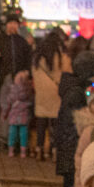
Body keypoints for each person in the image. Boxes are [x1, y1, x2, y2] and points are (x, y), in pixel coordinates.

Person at [52, 49, 94, 187]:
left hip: (73, 152)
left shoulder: (79, 89)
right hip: (74, 154)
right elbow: (72, 126)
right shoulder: (78, 93)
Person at [30, 30, 68, 160]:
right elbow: (63, 74)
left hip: (41, 94)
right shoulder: (59, 57)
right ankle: (54, 150)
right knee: (56, 124)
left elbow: (34, 75)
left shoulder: (37, 58)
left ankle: (39, 149)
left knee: (41, 123)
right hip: (55, 94)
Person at [1, 69, 34, 157]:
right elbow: (32, 101)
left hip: (13, 117)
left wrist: (4, 114)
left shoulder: (13, 91)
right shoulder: (29, 91)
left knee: (12, 134)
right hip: (24, 118)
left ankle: (11, 150)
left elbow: (8, 103)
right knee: (24, 135)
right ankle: (23, 151)